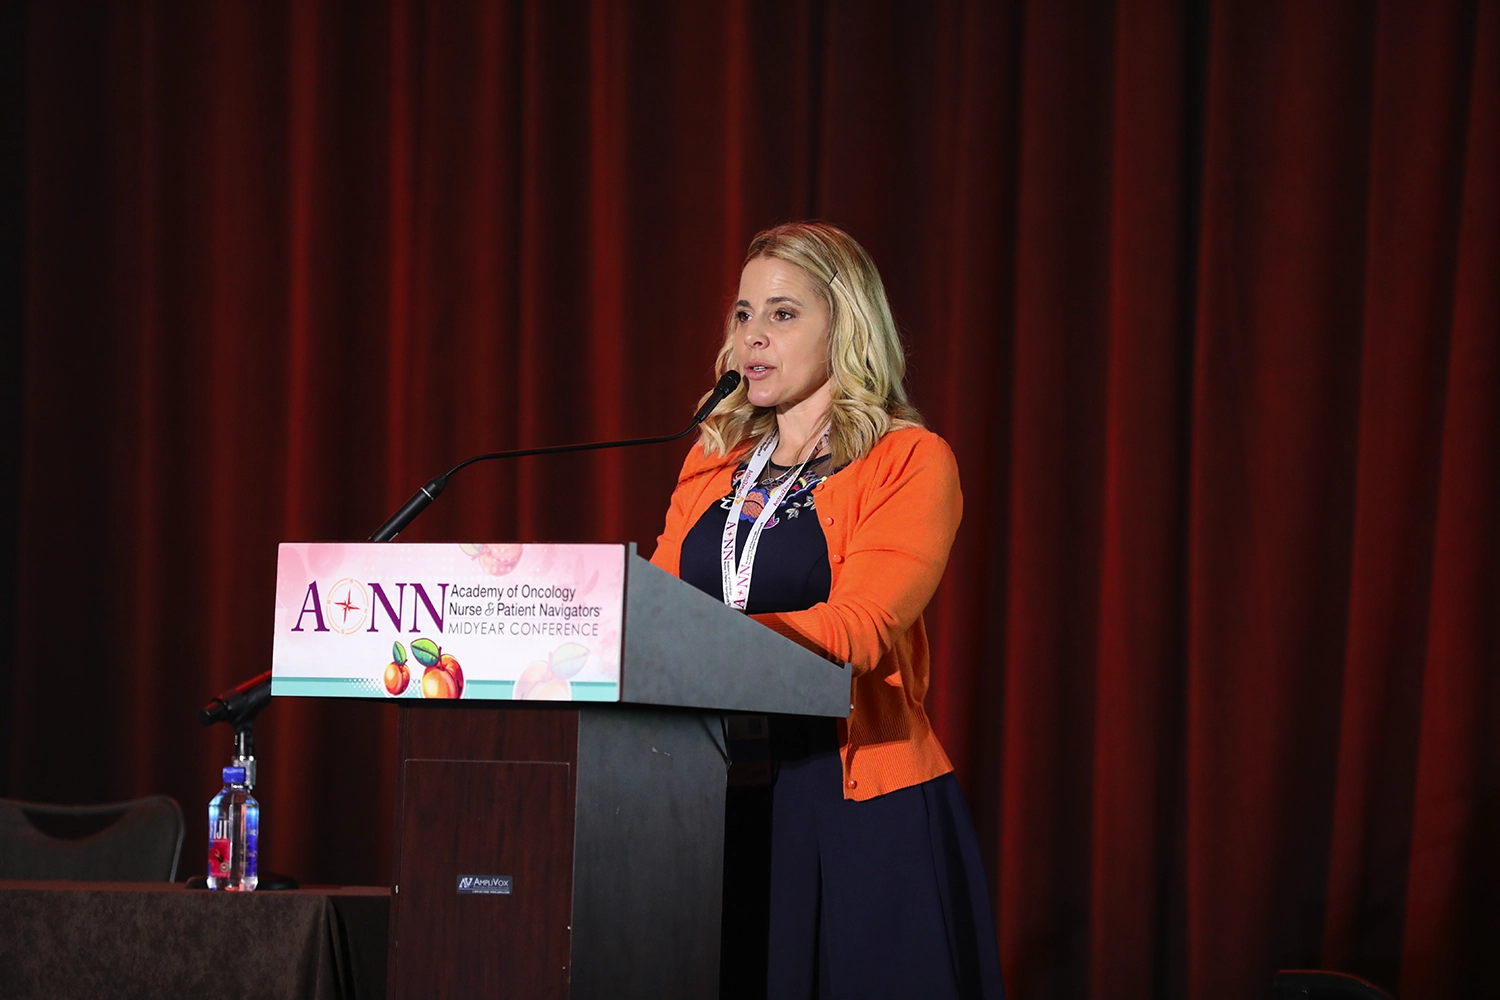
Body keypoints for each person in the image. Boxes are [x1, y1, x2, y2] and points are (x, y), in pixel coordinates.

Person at [650, 221, 1006, 999]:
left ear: (845, 327)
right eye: (743, 313)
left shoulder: (908, 460)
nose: (752, 336)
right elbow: (656, 613)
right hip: (706, 801)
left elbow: (862, 628)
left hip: (846, 801)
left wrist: (705, 642)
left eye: (783, 314)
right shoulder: (711, 459)